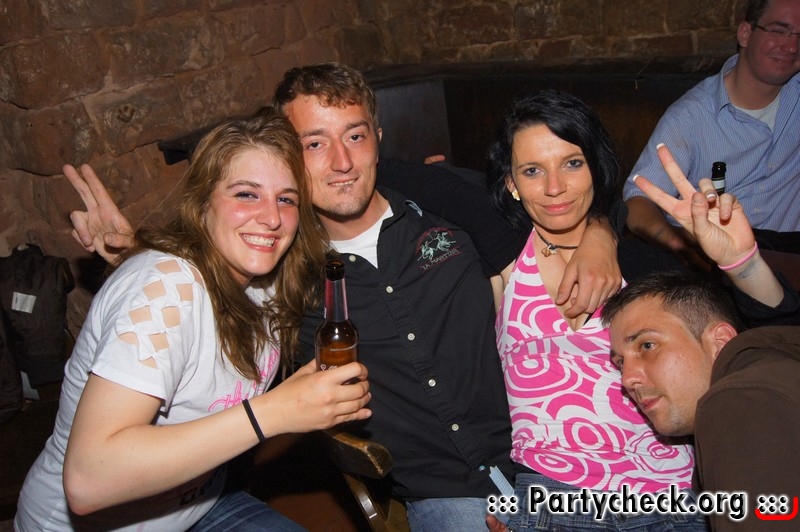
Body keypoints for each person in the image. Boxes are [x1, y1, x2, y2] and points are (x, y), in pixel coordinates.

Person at [64, 63, 624, 530]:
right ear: (288, 155)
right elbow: (204, 290)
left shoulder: (448, 207)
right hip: (444, 493)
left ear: (377, 138)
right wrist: (139, 252)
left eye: (355, 136)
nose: (341, 162)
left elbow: (557, 199)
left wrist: (601, 230)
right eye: (315, 143)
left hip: (545, 458)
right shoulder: (280, 271)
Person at [15, 112, 372, 531]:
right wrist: (273, 412)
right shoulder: (164, 288)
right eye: (246, 194)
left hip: (199, 505)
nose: (272, 218)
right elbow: (87, 481)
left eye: (286, 199)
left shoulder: (267, 283)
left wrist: (136, 252)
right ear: (202, 202)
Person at [484, 89, 799, 532]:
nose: (554, 188)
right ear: (511, 184)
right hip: (554, 496)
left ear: (596, 168)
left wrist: (742, 263)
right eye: (532, 170)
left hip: (675, 499)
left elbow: (765, 344)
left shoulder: (643, 262)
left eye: (572, 163)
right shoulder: (500, 261)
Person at [603, 277, 800, 532]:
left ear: (720, 341)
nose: (628, 379)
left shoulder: (740, 398)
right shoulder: (775, 377)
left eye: (647, 345)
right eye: (620, 363)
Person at [623, 0, 800, 260]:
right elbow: (637, 202)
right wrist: (680, 247)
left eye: (799, 35)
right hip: (714, 257)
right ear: (745, 34)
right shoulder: (691, 115)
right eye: (777, 30)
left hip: (789, 256)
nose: (792, 46)